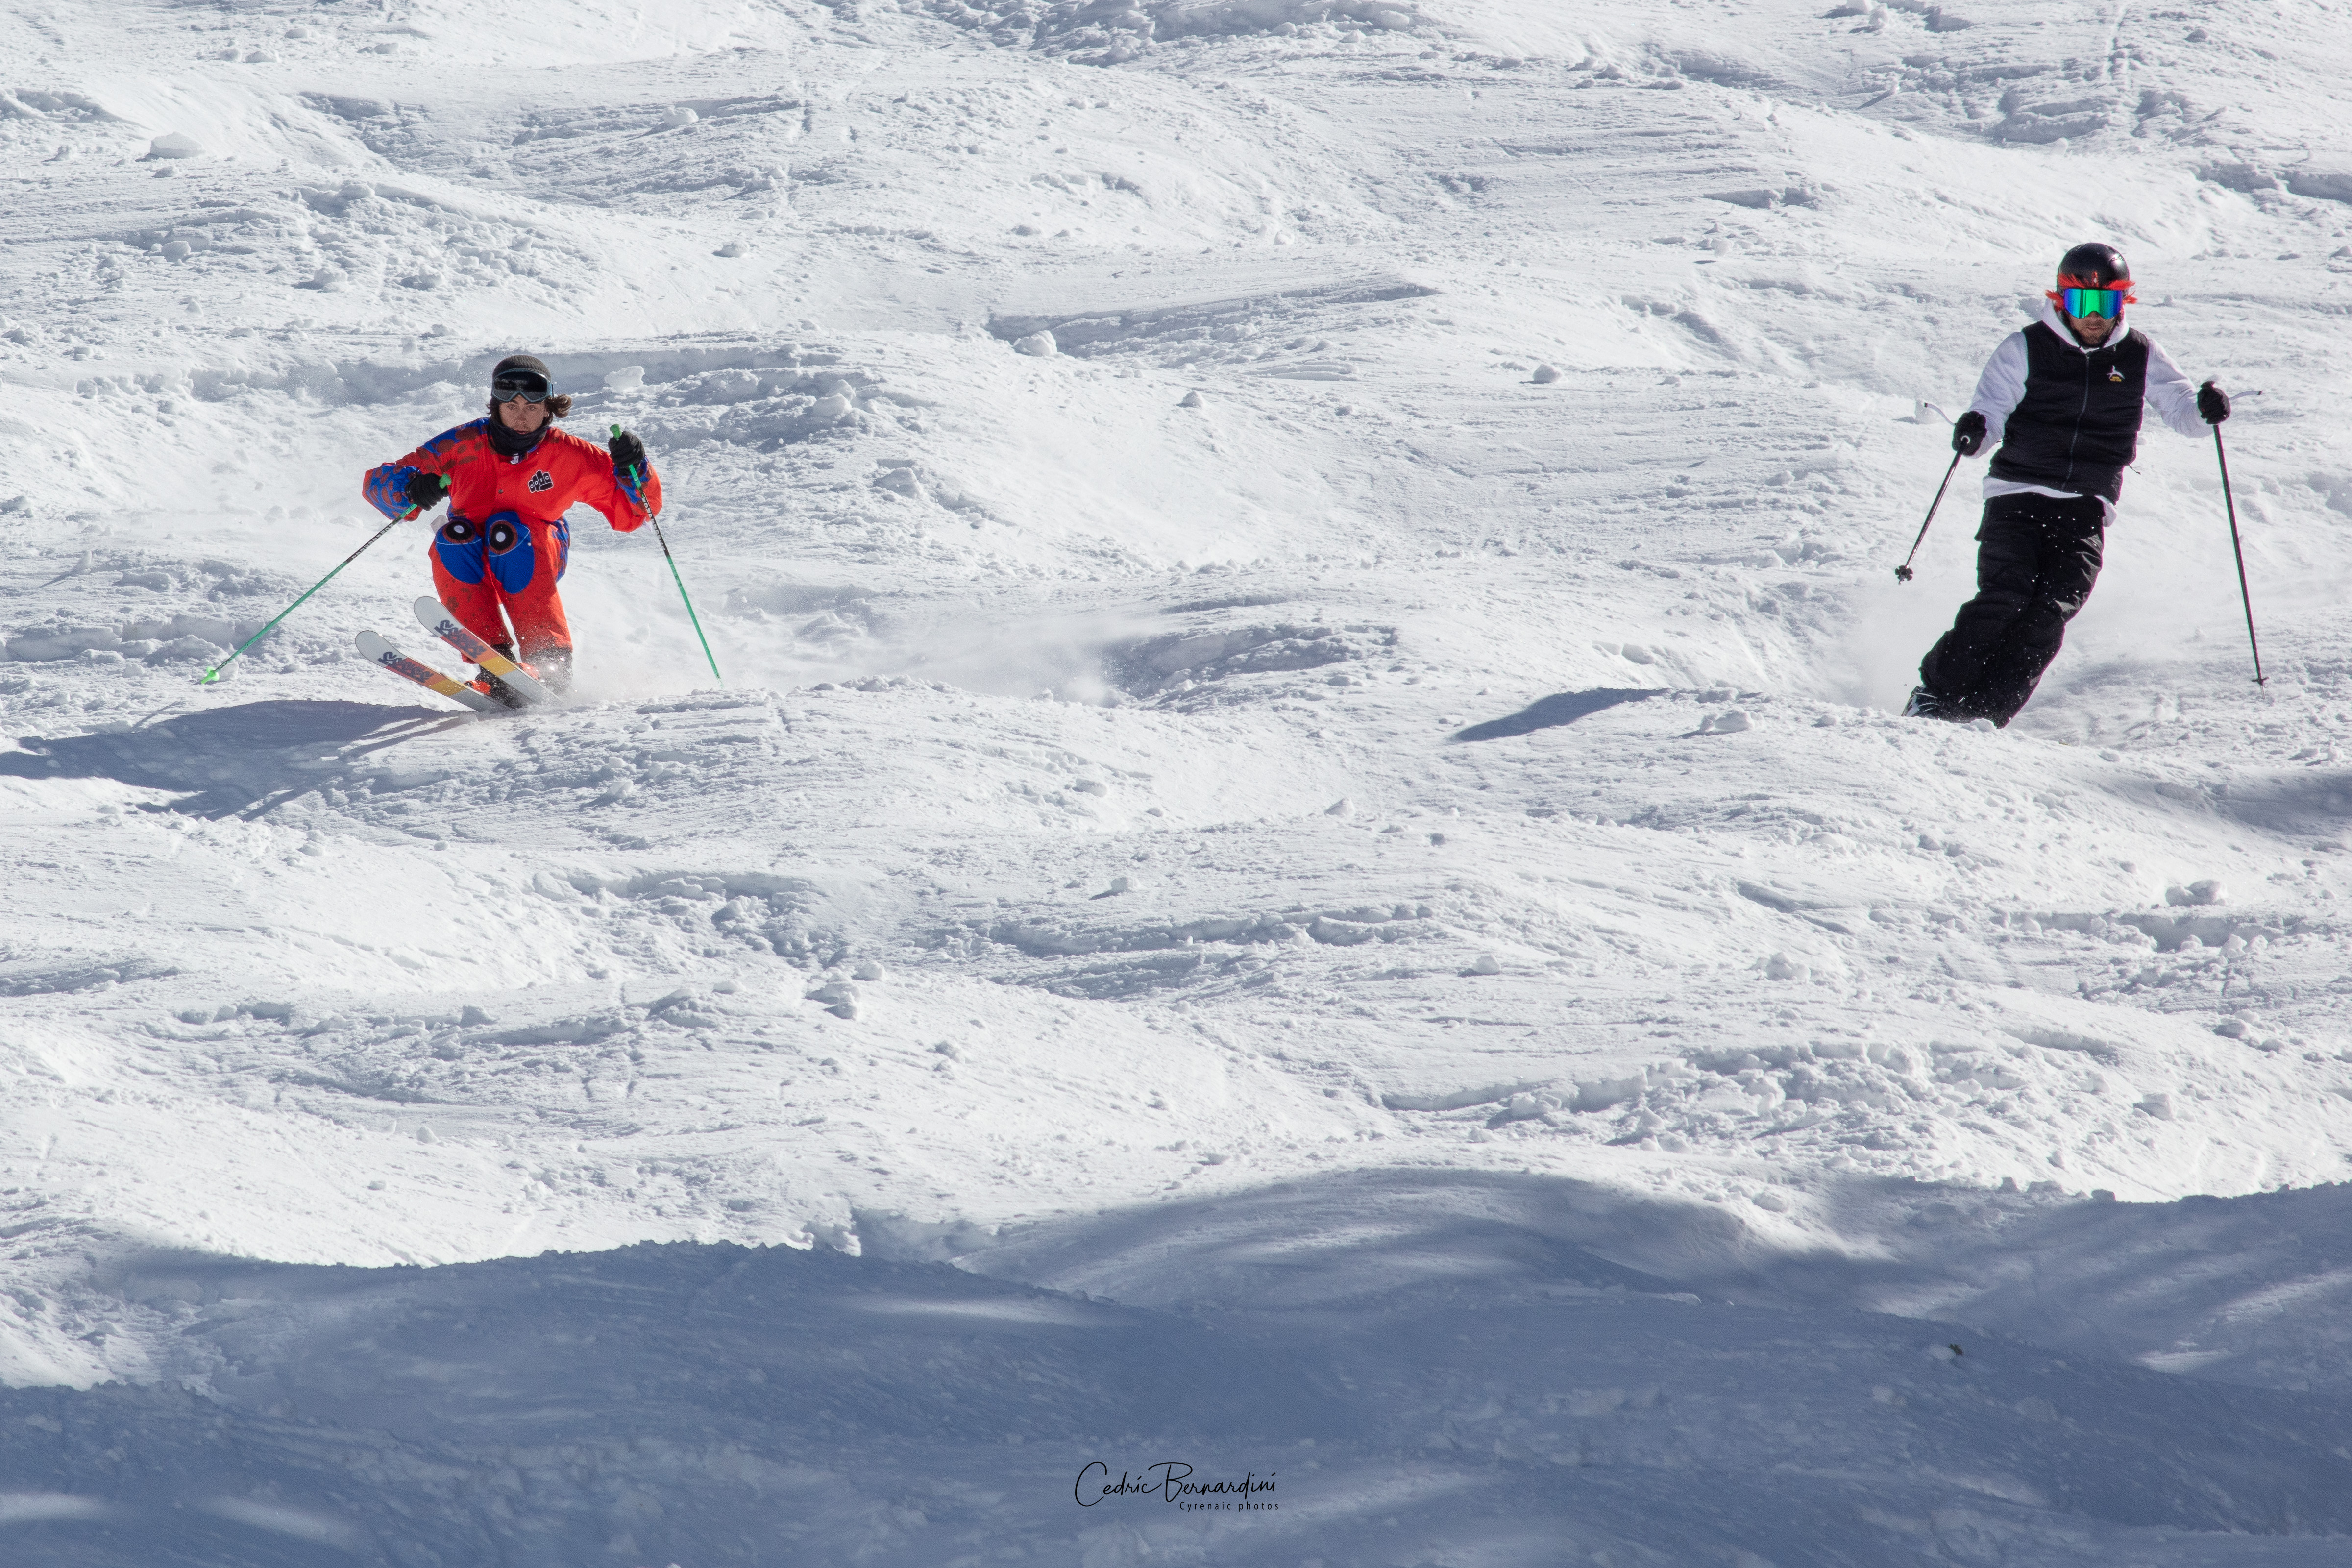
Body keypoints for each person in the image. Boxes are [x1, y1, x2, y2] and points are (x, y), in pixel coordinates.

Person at [1905, 244, 2230, 726]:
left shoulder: (2140, 354)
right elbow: (1990, 412)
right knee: (2007, 595)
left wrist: (2206, 410)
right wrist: (1974, 432)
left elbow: (2185, 412)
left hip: (2085, 505)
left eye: (2106, 303)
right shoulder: (2025, 347)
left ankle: (1983, 715)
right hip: (2017, 494)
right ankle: (1935, 695)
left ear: (2122, 303)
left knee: (2049, 613)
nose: (2094, 316)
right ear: (2061, 300)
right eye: (2082, 303)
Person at [361, 354, 661, 702]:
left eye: (532, 407)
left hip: (536, 549)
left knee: (507, 531)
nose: (521, 417)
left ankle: (549, 663)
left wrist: (634, 468)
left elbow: (633, 513)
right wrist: (410, 489)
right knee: (452, 536)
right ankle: (495, 665)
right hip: (472, 555)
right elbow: (378, 485)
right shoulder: (462, 444)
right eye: (512, 406)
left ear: (548, 409)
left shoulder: (570, 455)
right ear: (496, 406)